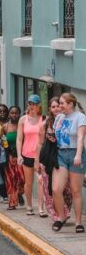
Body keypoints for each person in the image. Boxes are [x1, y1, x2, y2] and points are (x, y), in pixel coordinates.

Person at [51, 93, 86, 233]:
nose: (59, 107)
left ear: (70, 104)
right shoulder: (59, 117)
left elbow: (80, 137)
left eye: (62, 103)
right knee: (56, 189)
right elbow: (56, 134)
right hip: (60, 154)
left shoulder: (80, 117)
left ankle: (78, 222)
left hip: (75, 154)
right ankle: (61, 217)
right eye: (59, 103)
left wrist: (78, 155)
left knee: (75, 191)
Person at [35, 97, 72, 222]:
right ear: (50, 109)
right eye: (53, 107)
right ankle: (57, 215)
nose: (56, 109)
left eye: (58, 106)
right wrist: (37, 162)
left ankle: (64, 211)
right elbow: (39, 144)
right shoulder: (45, 124)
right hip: (48, 160)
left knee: (67, 189)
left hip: (64, 159)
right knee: (49, 188)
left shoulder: (68, 121)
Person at [16, 94, 46, 216]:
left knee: (41, 181)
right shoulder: (23, 119)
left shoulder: (44, 119)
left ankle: (41, 208)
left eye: (34, 104)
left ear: (39, 105)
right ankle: (29, 205)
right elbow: (19, 139)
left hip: (40, 155)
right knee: (28, 183)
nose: (31, 106)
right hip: (27, 154)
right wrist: (19, 155)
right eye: (29, 103)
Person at [1, 106, 25, 209]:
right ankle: (12, 203)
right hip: (9, 156)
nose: (14, 115)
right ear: (9, 114)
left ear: (19, 114)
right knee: (10, 179)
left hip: (21, 156)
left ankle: (19, 193)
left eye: (16, 113)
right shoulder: (5, 127)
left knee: (21, 179)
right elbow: (1, 141)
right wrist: (3, 143)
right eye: (12, 113)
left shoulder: (23, 126)